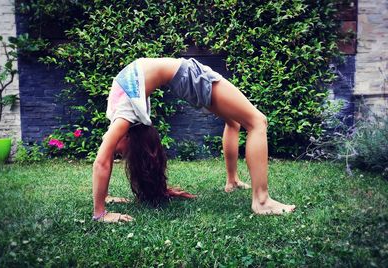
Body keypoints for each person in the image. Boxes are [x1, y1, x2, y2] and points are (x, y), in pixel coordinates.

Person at [92, 58, 296, 222]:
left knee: (235, 122)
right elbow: (103, 160)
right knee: (258, 122)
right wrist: (101, 210)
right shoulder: (125, 118)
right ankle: (262, 201)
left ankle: (232, 181)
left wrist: (103, 203)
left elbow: (102, 159)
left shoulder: (122, 119)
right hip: (186, 75)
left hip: (187, 75)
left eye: (120, 152)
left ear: (129, 138)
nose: (115, 151)